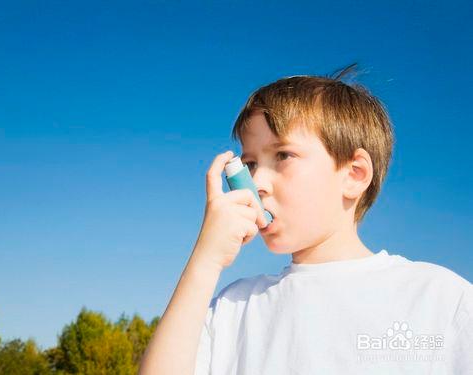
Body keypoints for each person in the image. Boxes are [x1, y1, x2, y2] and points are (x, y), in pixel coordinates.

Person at [139, 64, 472, 374]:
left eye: (283, 155)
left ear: (354, 175)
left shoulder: (438, 299)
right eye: (250, 164)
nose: (256, 184)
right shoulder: (236, 305)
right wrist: (205, 262)